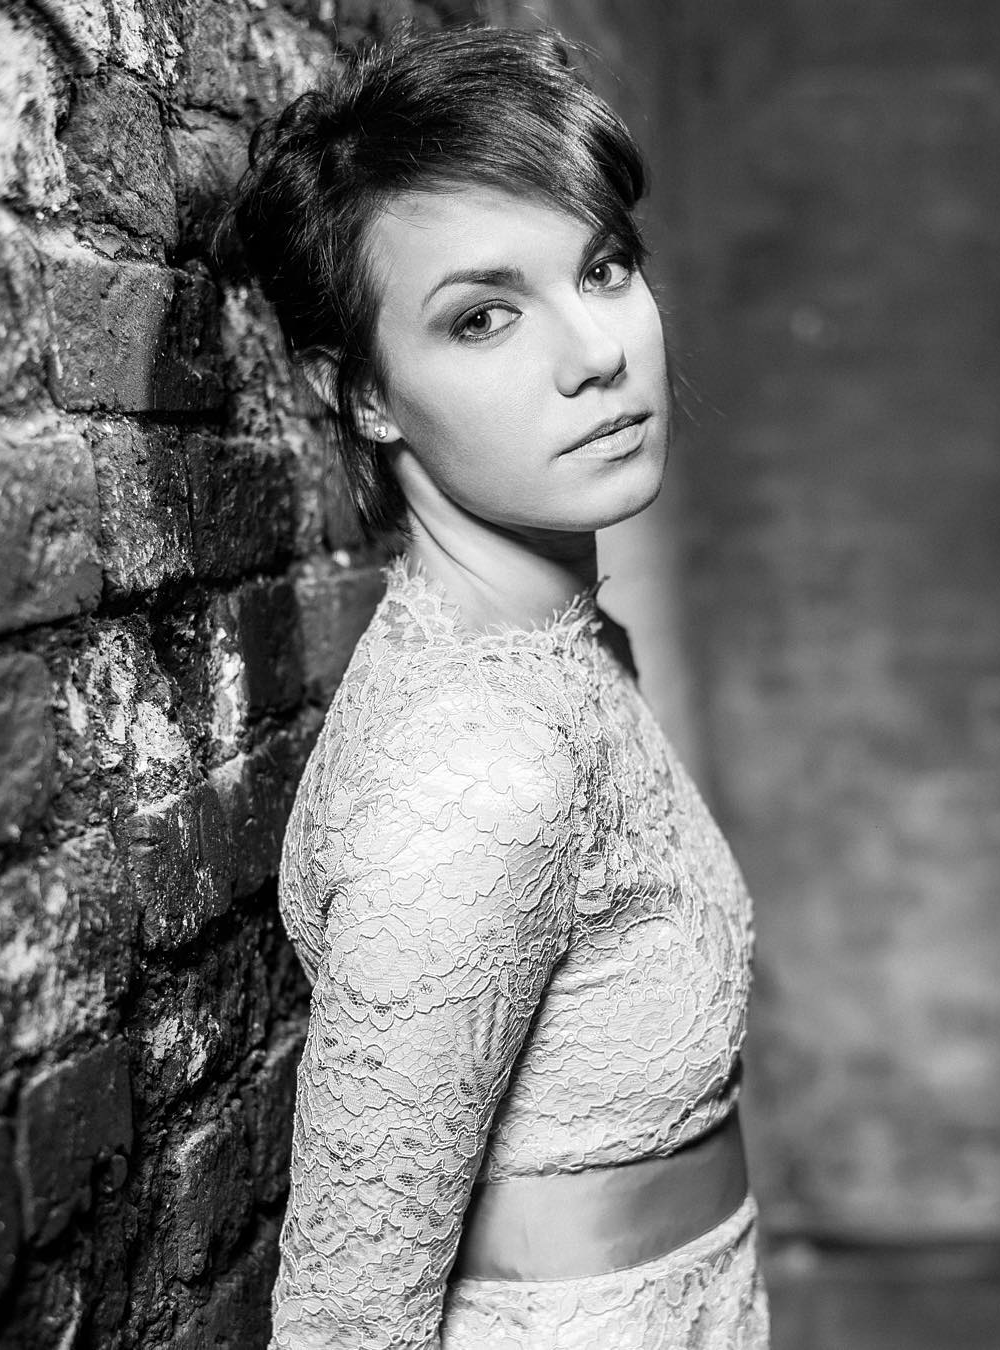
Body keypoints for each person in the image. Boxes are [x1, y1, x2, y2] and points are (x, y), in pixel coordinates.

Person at [228, 22, 769, 1350]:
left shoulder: (563, 656)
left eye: (604, 266)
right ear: (364, 394)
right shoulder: (472, 775)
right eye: (483, 316)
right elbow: (349, 1320)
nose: (595, 351)